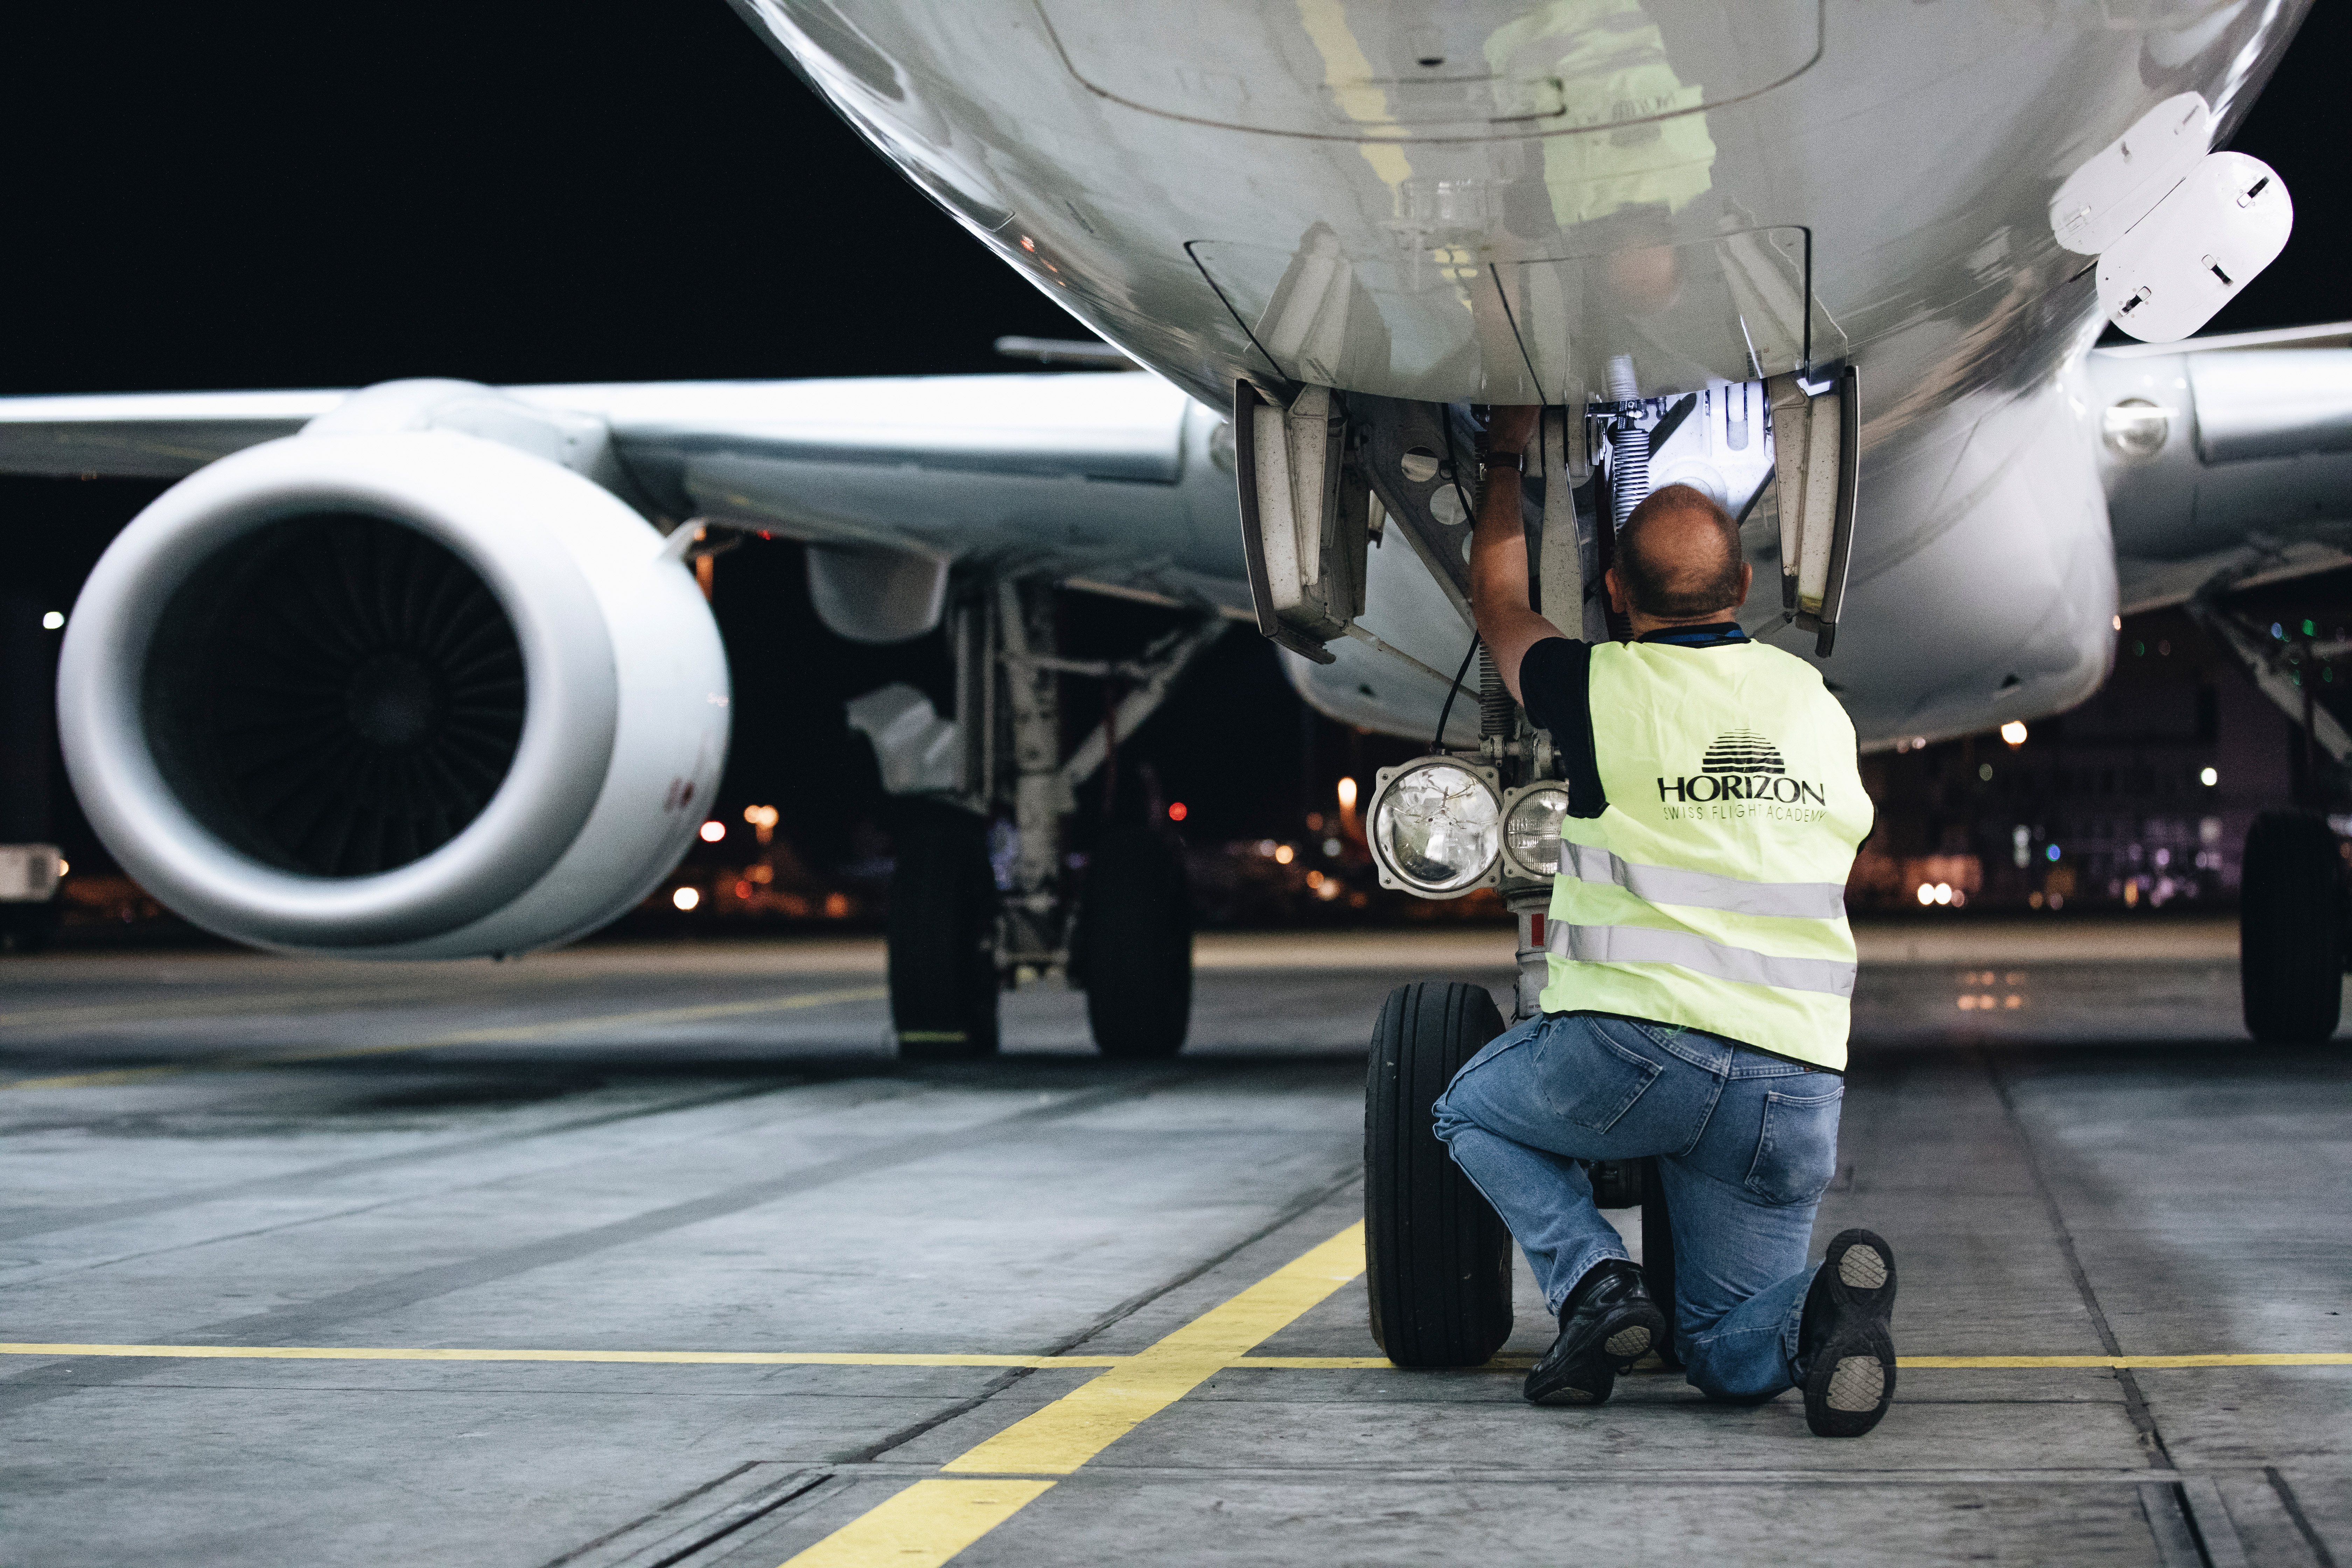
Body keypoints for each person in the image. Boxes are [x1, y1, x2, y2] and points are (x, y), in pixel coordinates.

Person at [1434, 403, 1896, 1437]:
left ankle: (1597, 1286)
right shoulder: (1816, 704)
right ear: (1743, 590)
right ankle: (1814, 1318)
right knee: (1730, 1356)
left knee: (1466, 1109)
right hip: (1792, 1083)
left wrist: (1504, 459)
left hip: (1636, 1054)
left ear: (1613, 595)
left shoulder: (1602, 686)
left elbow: (1501, 602)